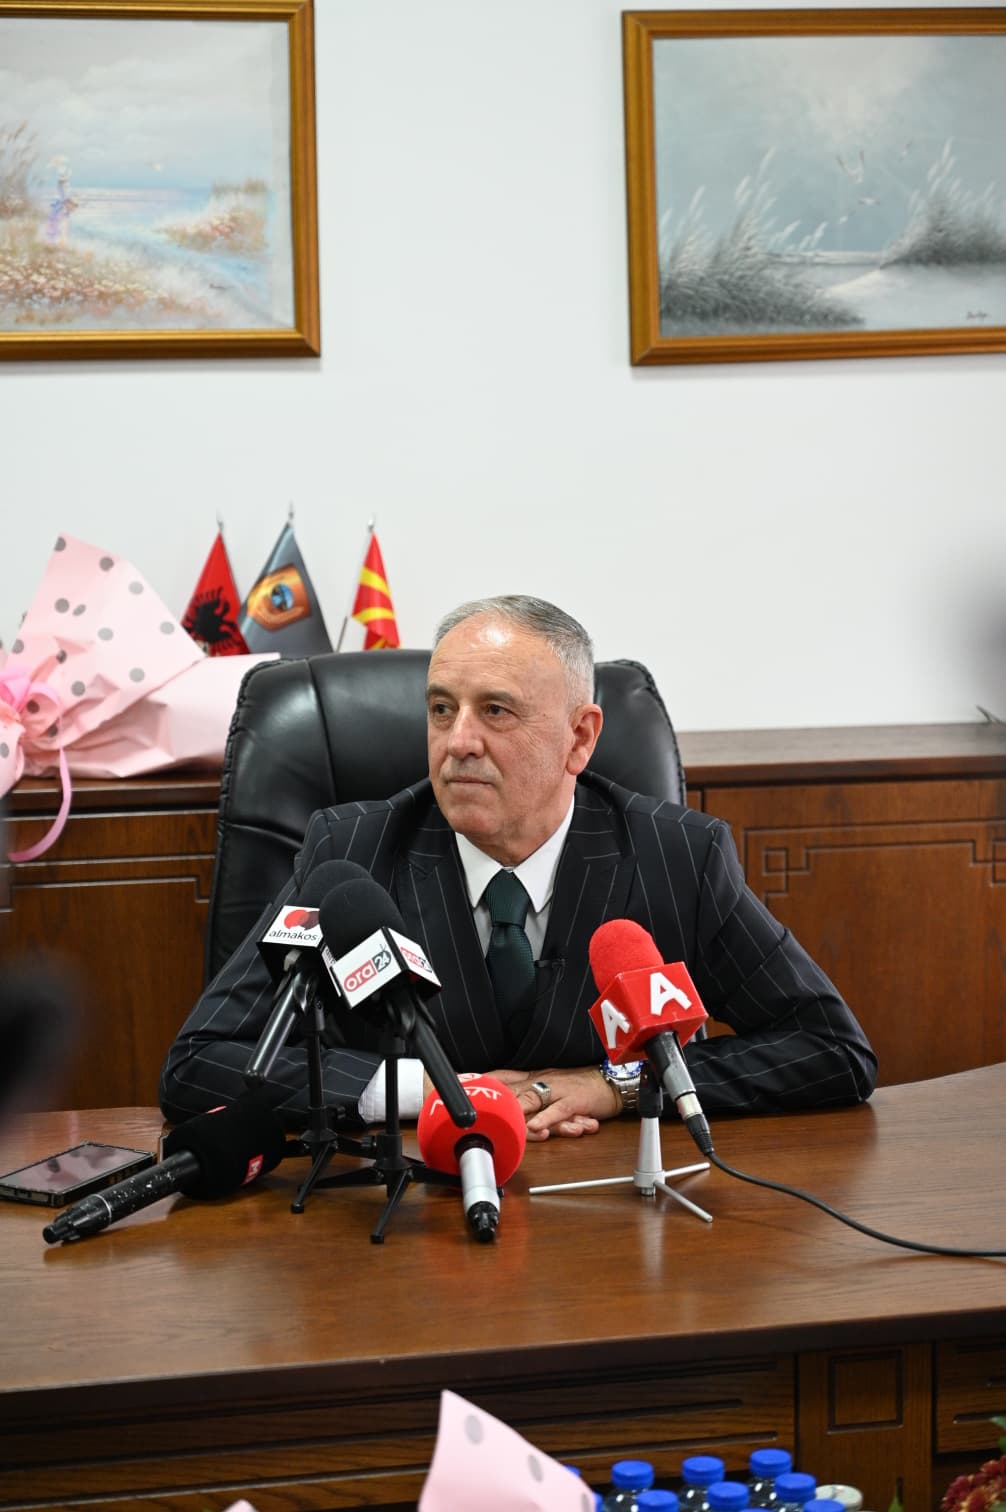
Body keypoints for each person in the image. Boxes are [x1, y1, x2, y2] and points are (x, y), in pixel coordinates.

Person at [159, 596, 876, 1139]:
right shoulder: (350, 855)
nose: (458, 742)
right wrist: (426, 1090)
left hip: (613, 1228)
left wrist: (617, 1085)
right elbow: (201, 1061)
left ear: (579, 738)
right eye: (442, 710)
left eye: (496, 711)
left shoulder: (679, 856)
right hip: (409, 1223)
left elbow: (831, 1048)